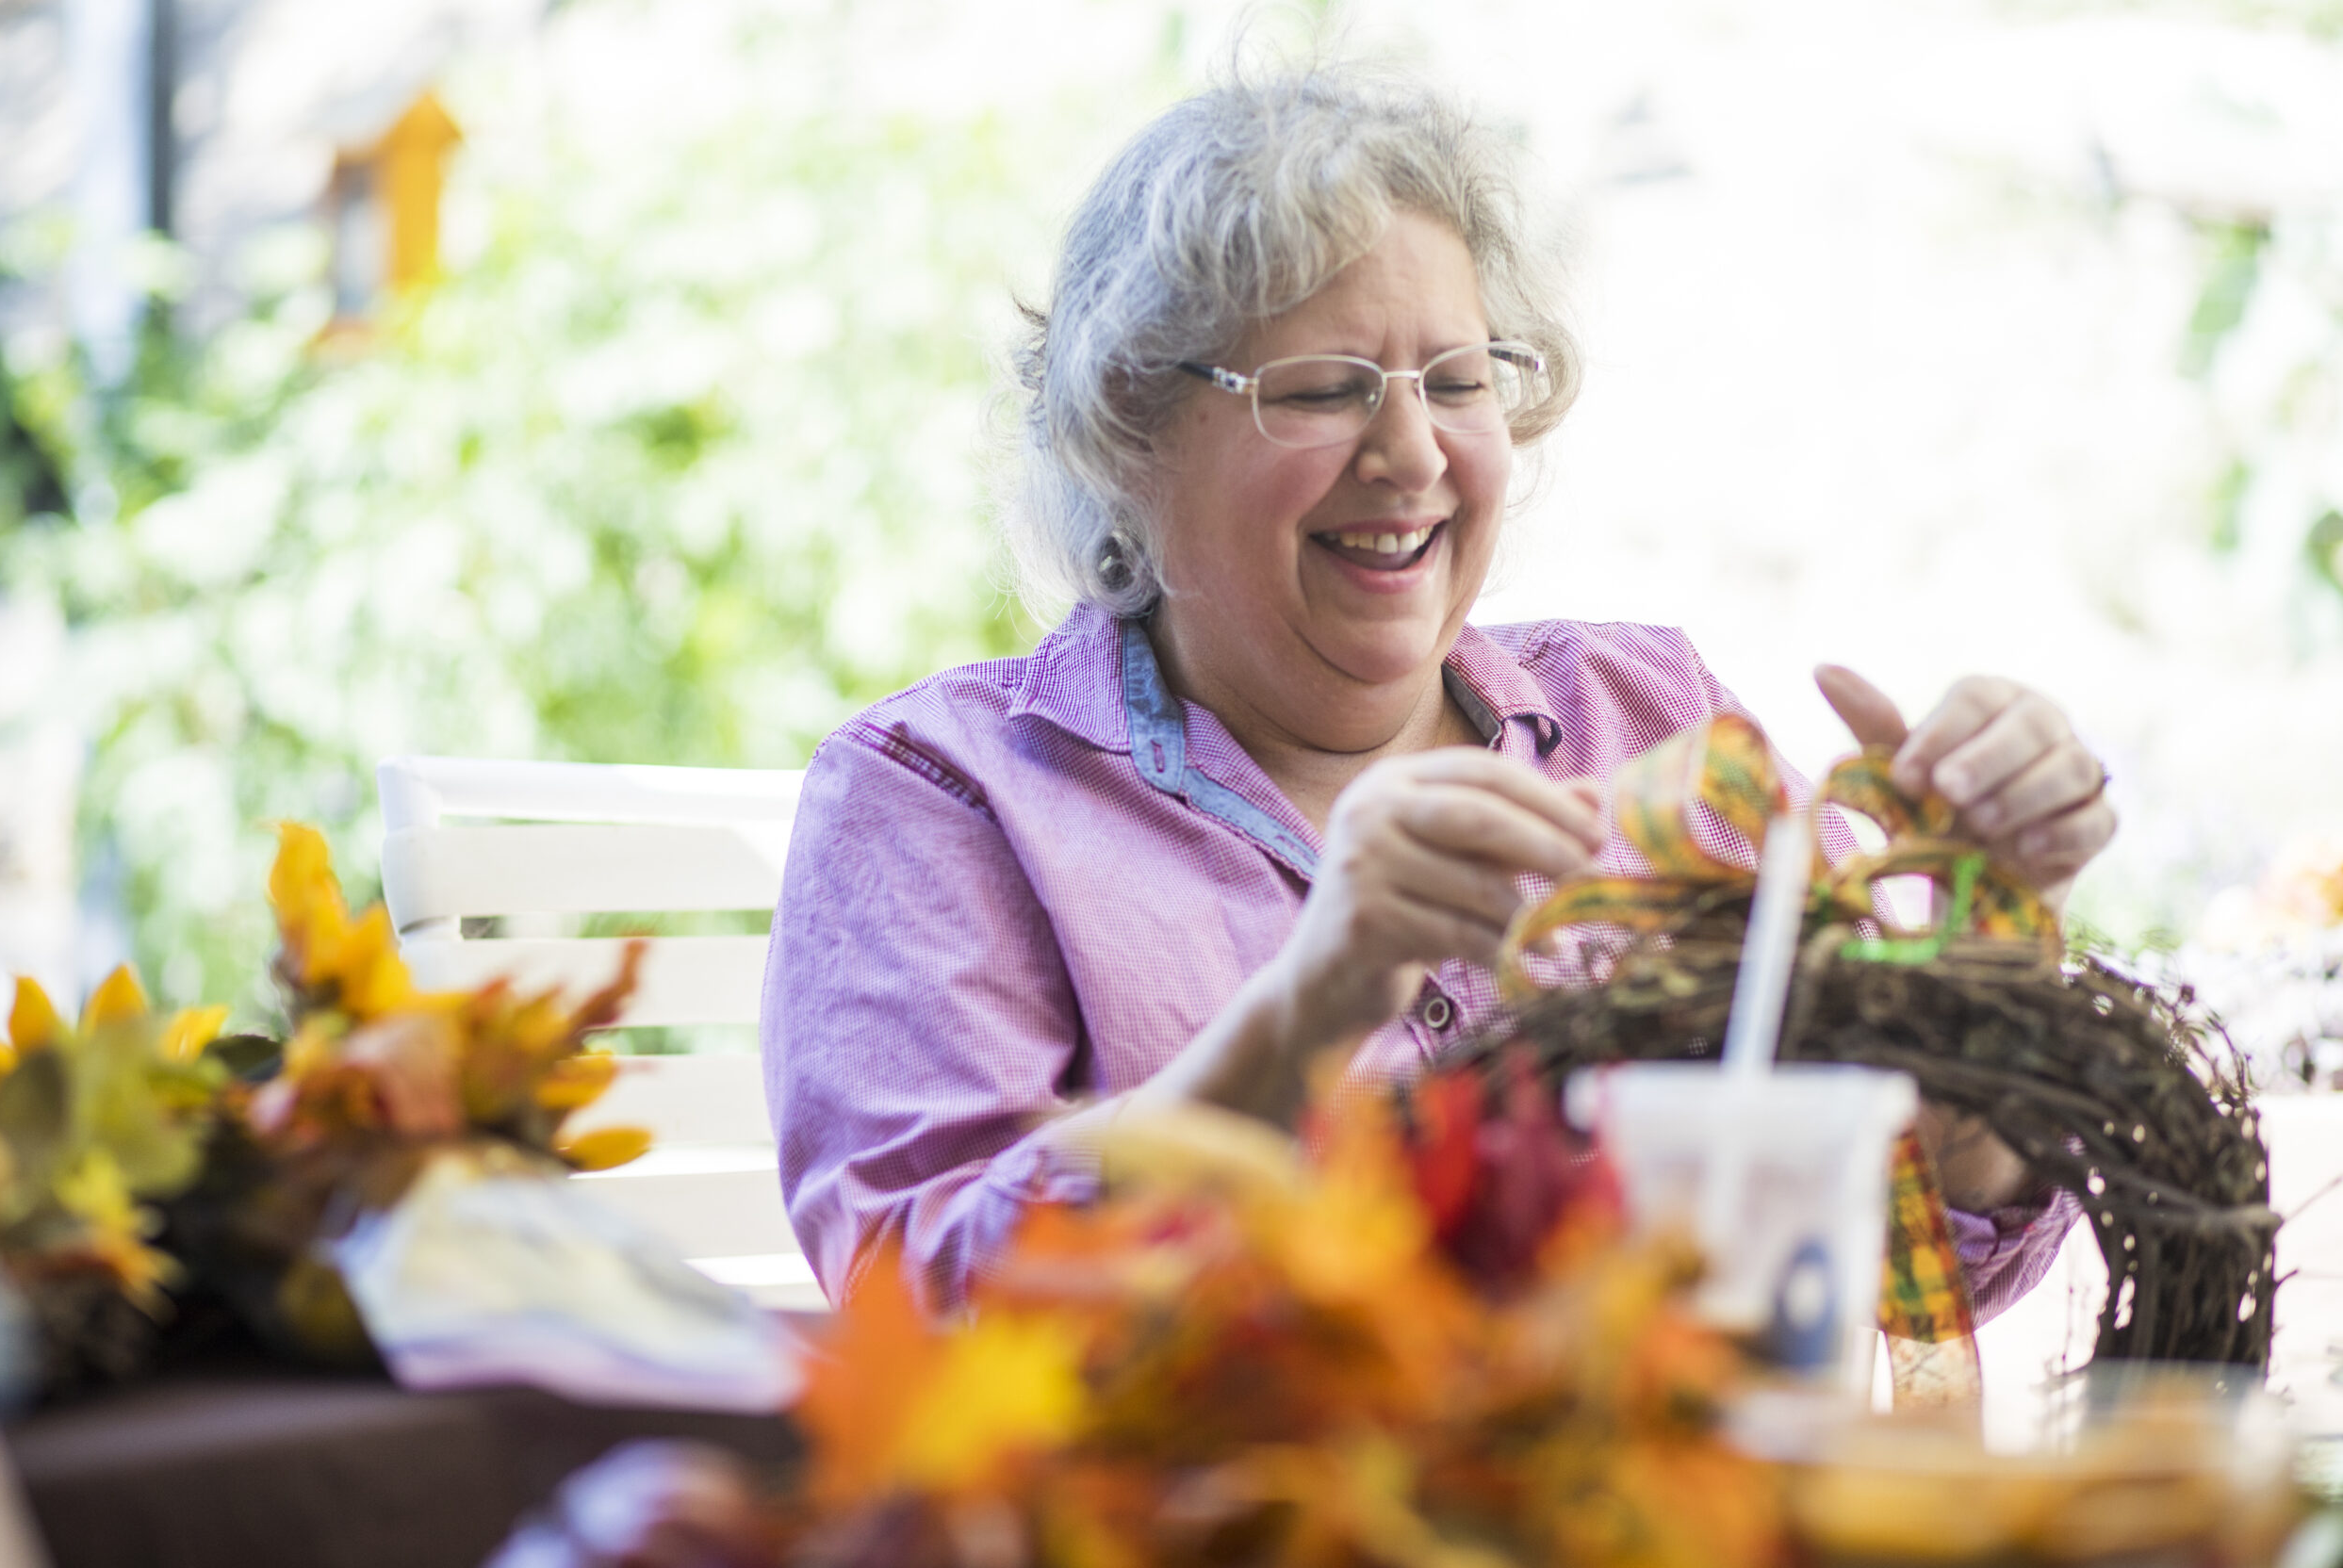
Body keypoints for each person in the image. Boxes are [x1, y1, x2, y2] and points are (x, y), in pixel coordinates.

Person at [761, 64, 2108, 1316]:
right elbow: (924, 1292)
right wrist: (1308, 1011)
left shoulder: (1655, 721)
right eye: (1325, 389)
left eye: (1456, 381)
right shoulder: (945, 793)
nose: (1411, 453)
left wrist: (1983, 1005)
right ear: (1129, 428)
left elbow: (1902, 1260)